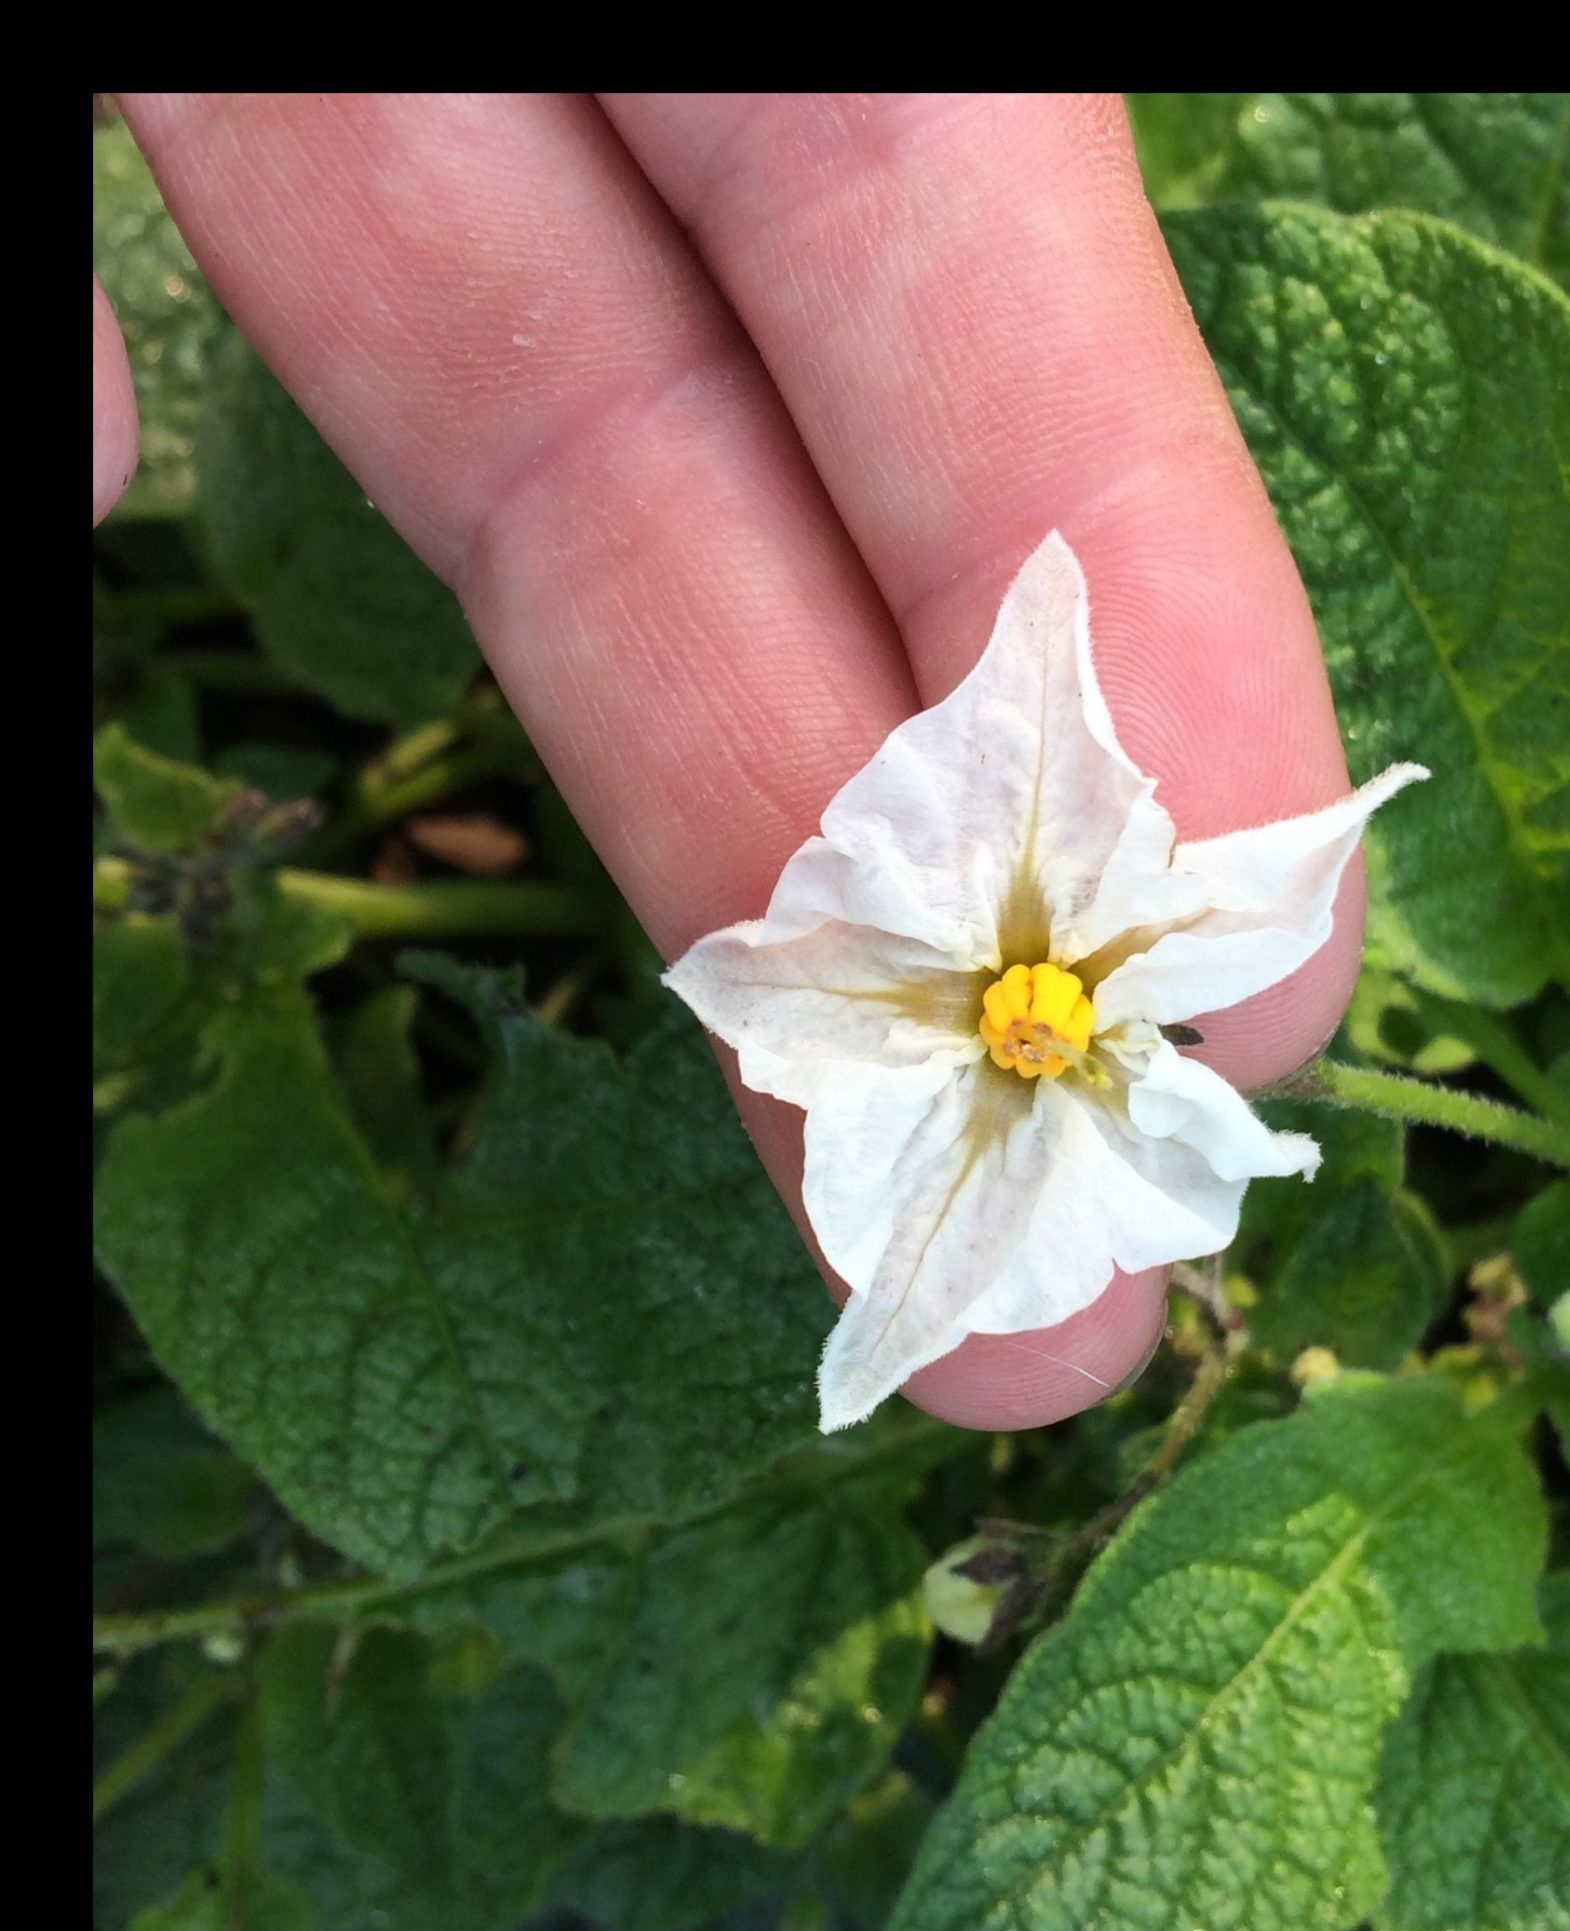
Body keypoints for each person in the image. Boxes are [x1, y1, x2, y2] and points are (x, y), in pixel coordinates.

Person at [92, 93, 1367, 1432]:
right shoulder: (1036, 991)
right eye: (1036, 1026)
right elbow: (1026, 758)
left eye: (1029, 1033)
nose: (1028, 1024)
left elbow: (832, 947)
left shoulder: (1041, 999)